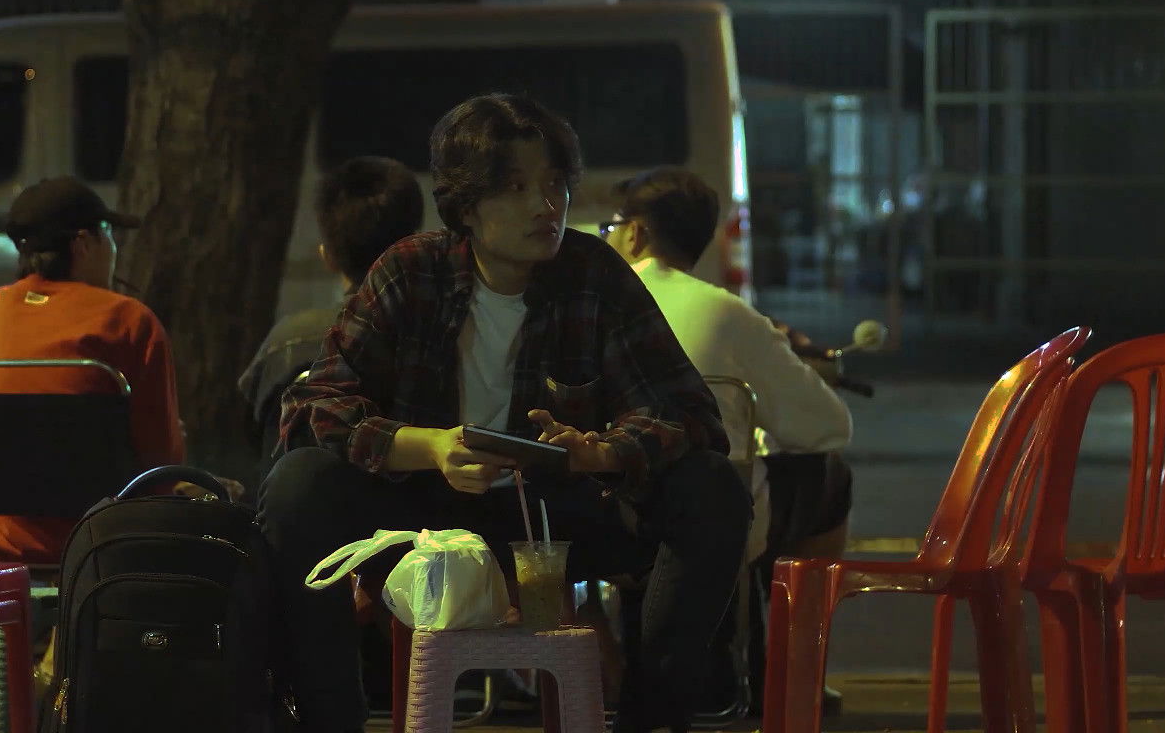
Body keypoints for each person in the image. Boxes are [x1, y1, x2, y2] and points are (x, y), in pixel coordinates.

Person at [263, 93, 749, 733]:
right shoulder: (412, 271)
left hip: (551, 520)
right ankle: (330, 720)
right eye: (517, 188)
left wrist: (601, 452)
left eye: (554, 184)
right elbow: (313, 406)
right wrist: (429, 446)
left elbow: (688, 413)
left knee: (712, 486)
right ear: (466, 205)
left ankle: (650, 720)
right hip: (423, 523)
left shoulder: (592, 272)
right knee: (299, 484)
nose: (545, 205)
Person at [600, 166, 855, 564]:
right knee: (832, 475)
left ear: (634, 233)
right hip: (716, 522)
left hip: (606, 519)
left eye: (608, 229)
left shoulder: (592, 305)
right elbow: (828, 427)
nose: (606, 238)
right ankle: (795, 604)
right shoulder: (729, 313)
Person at [0, 176, 188, 565]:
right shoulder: (128, 321)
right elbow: (159, 464)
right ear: (83, 243)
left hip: (3, 547)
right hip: (104, 541)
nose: (114, 247)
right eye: (108, 233)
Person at [238, 156, 424, 487]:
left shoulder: (290, 338)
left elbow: (253, 437)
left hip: (297, 507)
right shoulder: (432, 333)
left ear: (328, 256)